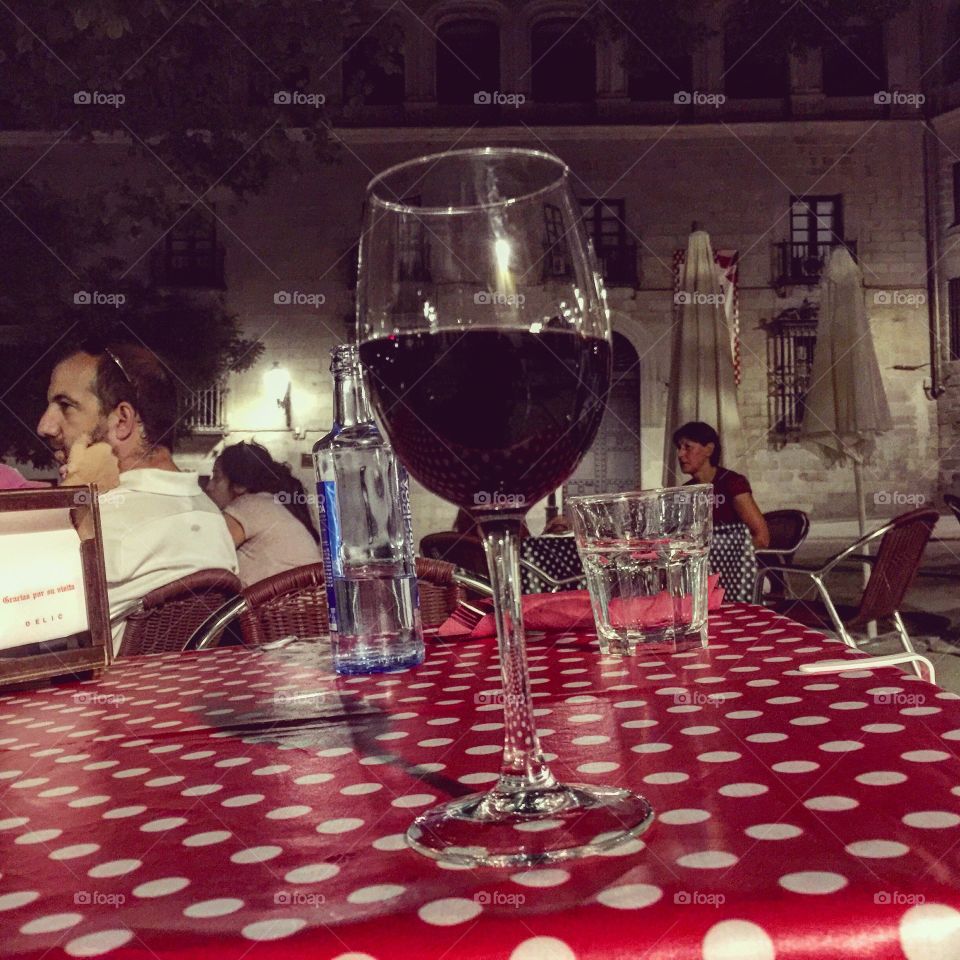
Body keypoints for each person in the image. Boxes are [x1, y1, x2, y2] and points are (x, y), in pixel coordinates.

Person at [37, 339, 238, 653]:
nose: (45, 425)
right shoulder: (209, 515)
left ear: (122, 421)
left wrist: (71, 499)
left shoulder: (103, 524)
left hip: (92, 699)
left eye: (66, 405)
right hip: (174, 696)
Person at [673, 421, 769, 603]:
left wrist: (725, 556)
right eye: (679, 448)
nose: (680, 454)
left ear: (709, 449)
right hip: (699, 575)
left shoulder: (732, 483)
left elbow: (762, 536)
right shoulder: (686, 492)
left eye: (687, 447)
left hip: (738, 574)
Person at [206, 441, 321, 587]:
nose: (209, 487)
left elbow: (204, 554)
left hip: (276, 608)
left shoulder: (249, 506)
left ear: (240, 485)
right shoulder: (273, 505)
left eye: (216, 478)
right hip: (302, 606)